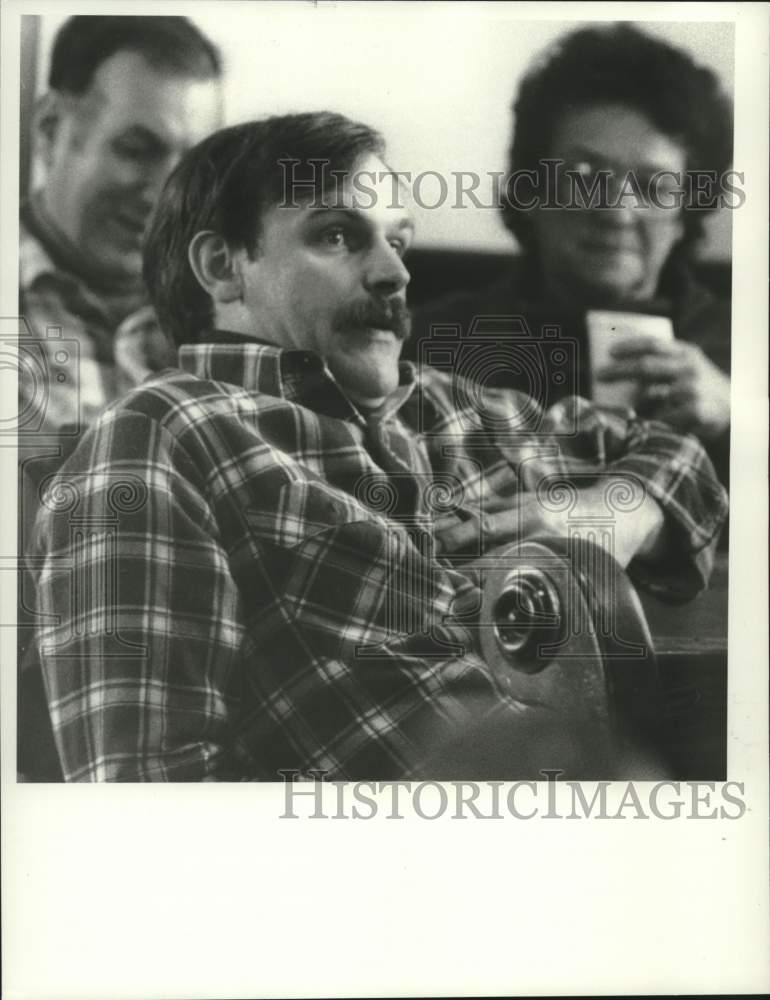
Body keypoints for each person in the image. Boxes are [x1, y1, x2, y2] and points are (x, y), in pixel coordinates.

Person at [29, 112, 727, 782]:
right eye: (338, 236)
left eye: (399, 241)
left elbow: (676, 455)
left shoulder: (456, 409)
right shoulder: (161, 436)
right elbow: (150, 807)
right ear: (222, 267)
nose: (395, 274)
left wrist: (607, 510)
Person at [17, 15, 223, 779]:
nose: (166, 196)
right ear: (51, 129)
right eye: (138, 150)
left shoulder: (220, 327)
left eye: (188, 168)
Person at [407, 25, 733, 485]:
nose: (616, 212)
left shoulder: (745, 351)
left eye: (653, 186)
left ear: (685, 213)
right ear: (531, 191)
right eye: (584, 176)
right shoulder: (429, 343)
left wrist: (740, 424)